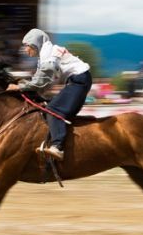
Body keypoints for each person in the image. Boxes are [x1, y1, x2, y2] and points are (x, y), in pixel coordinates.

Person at [7, 28, 92, 161]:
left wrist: (19, 87)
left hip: (78, 80)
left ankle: (57, 147)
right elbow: (40, 82)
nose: (25, 50)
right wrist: (24, 87)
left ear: (35, 43)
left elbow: (41, 82)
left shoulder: (48, 55)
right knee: (48, 105)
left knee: (53, 109)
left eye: (27, 46)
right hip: (78, 79)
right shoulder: (46, 53)